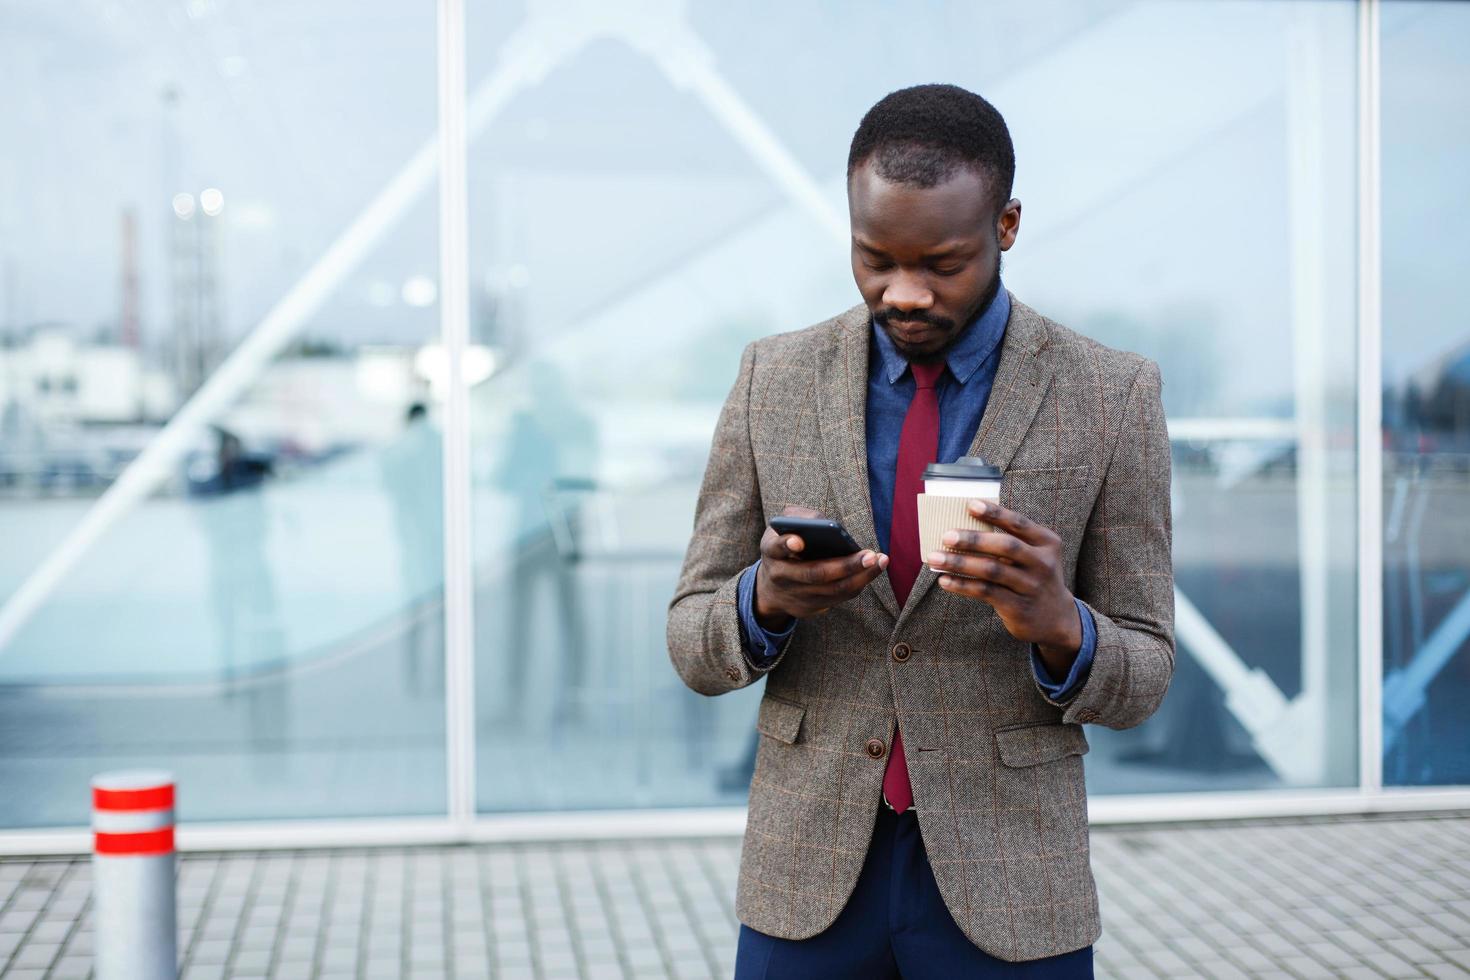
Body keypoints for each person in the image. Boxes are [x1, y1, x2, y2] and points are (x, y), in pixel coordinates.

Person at [667, 84, 1174, 977]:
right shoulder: (771, 379)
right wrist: (761, 602)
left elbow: (1146, 675)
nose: (904, 293)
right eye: (874, 259)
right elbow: (690, 642)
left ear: (1006, 226)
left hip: (1012, 884)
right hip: (809, 877)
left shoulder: (1112, 394)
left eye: (942, 263)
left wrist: (1063, 625)